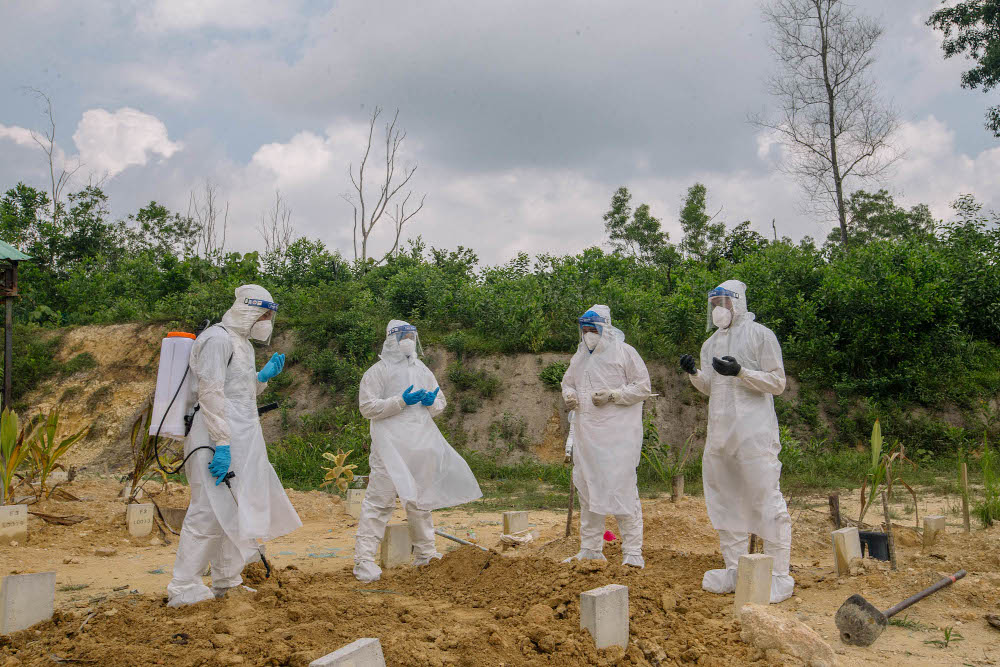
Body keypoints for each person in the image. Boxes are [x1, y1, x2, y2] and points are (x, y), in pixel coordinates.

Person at [167, 285, 301, 607]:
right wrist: (222, 445)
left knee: (232, 509)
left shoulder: (242, 344)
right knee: (207, 511)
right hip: (212, 438)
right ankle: (183, 586)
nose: (268, 322)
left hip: (240, 437)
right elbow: (211, 395)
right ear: (249, 310)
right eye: (265, 315)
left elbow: (240, 392)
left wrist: (262, 378)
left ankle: (227, 581)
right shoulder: (217, 339)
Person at [680, 279, 793, 603]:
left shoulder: (761, 335)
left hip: (754, 436)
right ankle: (735, 569)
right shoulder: (710, 344)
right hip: (721, 437)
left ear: (738, 303)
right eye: (714, 304)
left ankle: (778, 576)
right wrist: (694, 374)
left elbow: (777, 382)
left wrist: (742, 371)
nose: (719, 310)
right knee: (726, 504)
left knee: (765, 502)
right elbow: (711, 389)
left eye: (724, 303)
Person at [353, 320, 482, 582]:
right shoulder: (378, 372)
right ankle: (363, 561)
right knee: (379, 503)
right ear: (391, 339)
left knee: (420, 502)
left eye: (412, 335)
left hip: (418, 445)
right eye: (404, 335)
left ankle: (425, 554)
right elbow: (367, 407)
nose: (409, 339)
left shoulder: (422, 369)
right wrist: (400, 401)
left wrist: (431, 401)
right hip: (388, 448)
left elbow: (440, 403)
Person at [561, 305, 651, 567]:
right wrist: (569, 395)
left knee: (622, 490)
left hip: (618, 437)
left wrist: (614, 395)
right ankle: (590, 548)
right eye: (584, 329)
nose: (588, 334)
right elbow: (568, 382)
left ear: (605, 328)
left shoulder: (625, 353)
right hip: (587, 436)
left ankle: (632, 552)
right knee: (588, 490)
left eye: (593, 329)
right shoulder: (579, 356)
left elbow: (643, 387)